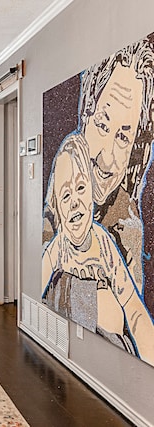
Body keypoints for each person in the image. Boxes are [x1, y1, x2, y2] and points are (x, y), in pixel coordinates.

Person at [42, 134, 154, 364]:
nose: (74, 201)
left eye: (81, 187)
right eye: (65, 195)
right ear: (58, 212)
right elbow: (40, 283)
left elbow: (132, 306)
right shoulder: (59, 246)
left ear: (93, 193)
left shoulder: (103, 242)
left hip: (113, 343)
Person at [78, 34, 154, 297]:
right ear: (86, 116)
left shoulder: (125, 230)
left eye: (123, 137)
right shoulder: (60, 194)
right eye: (102, 124)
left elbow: (127, 323)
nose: (107, 158)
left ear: (135, 149)